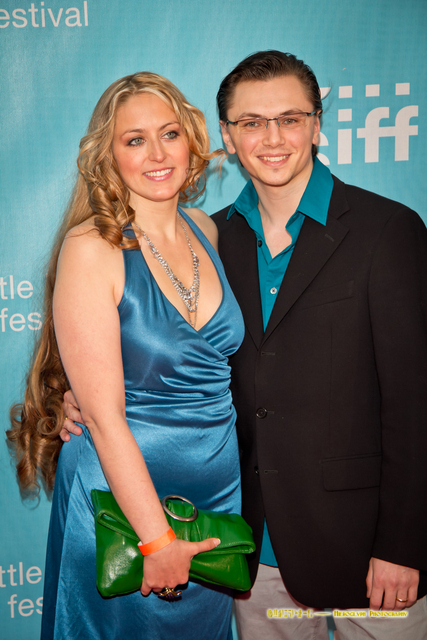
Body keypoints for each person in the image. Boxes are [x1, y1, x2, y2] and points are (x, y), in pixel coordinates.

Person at [61, 51, 427, 640]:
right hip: (245, 548)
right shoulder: (215, 234)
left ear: (317, 124)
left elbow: (415, 404)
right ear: (227, 137)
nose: (272, 138)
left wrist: (403, 544)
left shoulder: (388, 230)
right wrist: (79, 401)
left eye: (290, 118)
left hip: (367, 552)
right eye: (251, 123)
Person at [7, 71, 244, 640]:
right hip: (122, 513)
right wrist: (157, 540)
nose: (157, 154)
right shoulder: (91, 247)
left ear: (191, 140)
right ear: (108, 157)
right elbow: (105, 416)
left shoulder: (206, 231)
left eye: (169, 133)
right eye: (134, 139)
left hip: (212, 502)